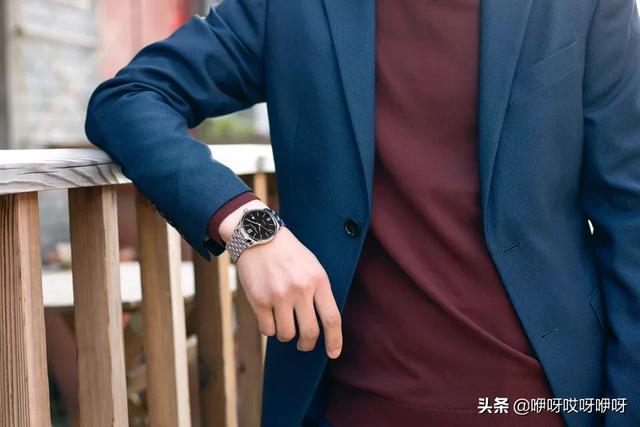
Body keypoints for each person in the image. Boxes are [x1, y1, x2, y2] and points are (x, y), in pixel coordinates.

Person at [85, 0, 640, 426]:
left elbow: (629, 214)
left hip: (544, 404)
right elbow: (130, 98)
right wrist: (250, 228)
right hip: (350, 406)